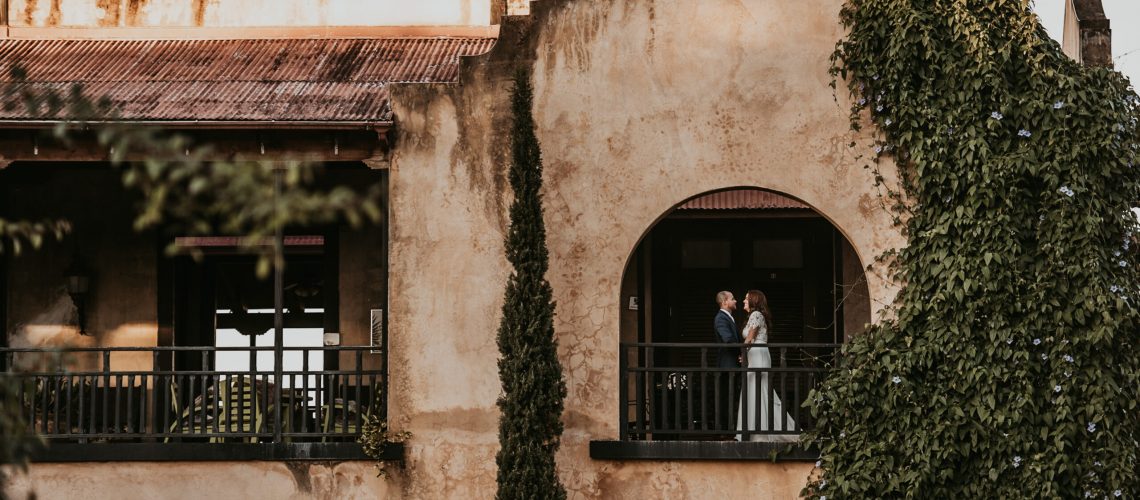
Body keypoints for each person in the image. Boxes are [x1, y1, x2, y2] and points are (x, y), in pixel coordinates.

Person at [736, 290, 797, 442]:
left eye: (746, 298)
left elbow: (750, 338)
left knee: (760, 390)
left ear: (753, 300)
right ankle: (753, 430)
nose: (743, 301)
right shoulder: (753, 316)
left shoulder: (756, 315)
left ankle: (761, 431)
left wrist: (743, 354)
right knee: (754, 390)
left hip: (758, 355)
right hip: (754, 354)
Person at [713, 290, 741, 436]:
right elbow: (728, 339)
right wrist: (741, 353)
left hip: (732, 364)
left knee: (732, 397)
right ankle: (726, 431)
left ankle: (731, 429)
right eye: (733, 298)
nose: (735, 301)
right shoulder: (721, 319)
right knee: (727, 398)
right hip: (727, 365)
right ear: (725, 302)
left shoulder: (728, 317)